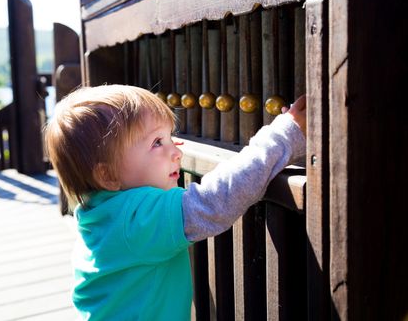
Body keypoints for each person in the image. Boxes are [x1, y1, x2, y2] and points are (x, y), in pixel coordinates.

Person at [44, 84, 306, 320]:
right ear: (108, 175)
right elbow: (216, 201)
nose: (177, 152)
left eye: (171, 138)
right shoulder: (136, 218)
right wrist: (284, 135)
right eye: (157, 142)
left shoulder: (98, 213)